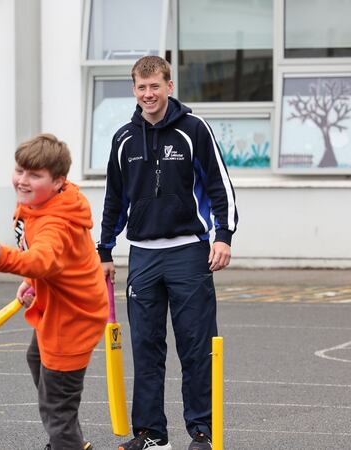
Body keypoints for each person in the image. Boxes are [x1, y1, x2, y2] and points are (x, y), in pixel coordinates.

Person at [97, 56, 238, 450]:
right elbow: (114, 198)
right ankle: (151, 434)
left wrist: (223, 235)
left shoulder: (194, 129)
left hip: (189, 254)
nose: (149, 94)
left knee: (196, 346)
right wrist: (105, 247)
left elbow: (219, 186)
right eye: (141, 88)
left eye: (155, 86)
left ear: (169, 86)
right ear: (134, 91)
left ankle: (202, 432)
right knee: (145, 348)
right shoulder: (124, 137)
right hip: (141, 256)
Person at [0, 134, 107, 450]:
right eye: (20, 170)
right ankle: (68, 438)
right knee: (37, 361)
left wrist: (4, 259)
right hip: (60, 302)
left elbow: (43, 258)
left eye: (35, 175)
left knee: (56, 405)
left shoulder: (56, 222)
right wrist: (31, 282)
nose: (22, 180)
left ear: (59, 181)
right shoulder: (42, 200)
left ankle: (66, 443)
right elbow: (52, 262)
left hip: (73, 316)